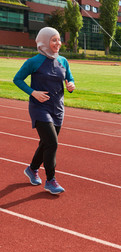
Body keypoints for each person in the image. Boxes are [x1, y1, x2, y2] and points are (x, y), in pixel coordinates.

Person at [13, 27, 75, 194]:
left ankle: (32, 169)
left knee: (46, 143)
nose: (58, 43)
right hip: (39, 108)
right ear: (44, 41)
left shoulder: (63, 60)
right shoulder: (33, 62)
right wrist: (33, 92)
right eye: (53, 40)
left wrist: (71, 85)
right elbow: (17, 79)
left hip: (58, 109)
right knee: (52, 143)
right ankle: (51, 180)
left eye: (59, 40)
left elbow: (70, 78)